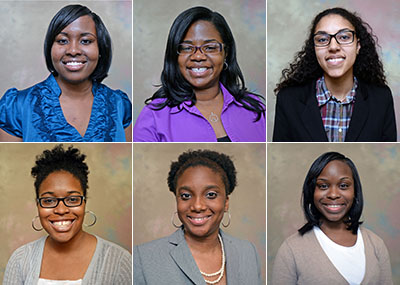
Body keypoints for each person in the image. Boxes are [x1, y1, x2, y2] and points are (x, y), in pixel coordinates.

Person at [0, 4, 132, 142]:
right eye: (62, 41)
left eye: (86, 41)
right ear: (50, 48)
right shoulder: (17, 106)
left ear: (100, 49)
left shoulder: (119, 104)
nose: (73, 50)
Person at [133, 6, 265, 142]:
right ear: (175, 56)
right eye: (187, 48)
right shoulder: (154, 116)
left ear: (226, 53)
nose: (198, 56)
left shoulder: (255, 108)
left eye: (210, 47)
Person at [3, 145, 132, 284]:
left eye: (72, 199)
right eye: (49, 200)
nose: (61, 209)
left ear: (84, 201)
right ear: (38, 204)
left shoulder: (119, 262)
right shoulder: (21, 259)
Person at [134, 150, 262, 284]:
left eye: (211, 194)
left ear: (226, 203)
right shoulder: (143, 258)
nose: (197, 206)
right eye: (186, 196)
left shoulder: (248, 252)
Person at [272, 7, 396, 142]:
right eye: (322, 39)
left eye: (344, 37)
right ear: (314, 48)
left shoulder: (381, 99)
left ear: (358, 46)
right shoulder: (289, 100)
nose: (333, 46)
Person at [272, 152, 393, 284]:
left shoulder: (376, 245)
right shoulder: (291, 250)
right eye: (323, 186)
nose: (333, 194)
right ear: (311, 191)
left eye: (343, 186)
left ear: (355, 191)